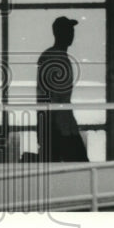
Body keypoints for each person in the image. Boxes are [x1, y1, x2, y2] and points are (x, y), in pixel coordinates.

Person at [36, 16, 89, 163]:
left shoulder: (53, 55)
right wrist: (58, 127)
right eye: (68, 30)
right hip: (60, 126)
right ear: (59, 33)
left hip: (58, 123)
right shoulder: (57, 58)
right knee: (80, 168)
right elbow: (53, 96)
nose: (71, 33)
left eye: (71, 30)